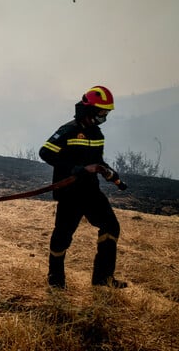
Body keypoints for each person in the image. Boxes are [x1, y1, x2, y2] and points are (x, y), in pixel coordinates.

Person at [39, 85, 127, 289]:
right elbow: (45, 153)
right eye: (101, 112)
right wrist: (76, 168)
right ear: (88, 109)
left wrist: (108, 171)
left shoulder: (97, 135)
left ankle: (103, 280)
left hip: (91, 192)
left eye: (106, 113)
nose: (103, 117)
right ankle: (56, 281)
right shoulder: (68, 130)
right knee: (62, 236)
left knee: (111, 226)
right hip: (69, 193)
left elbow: (97, 160)